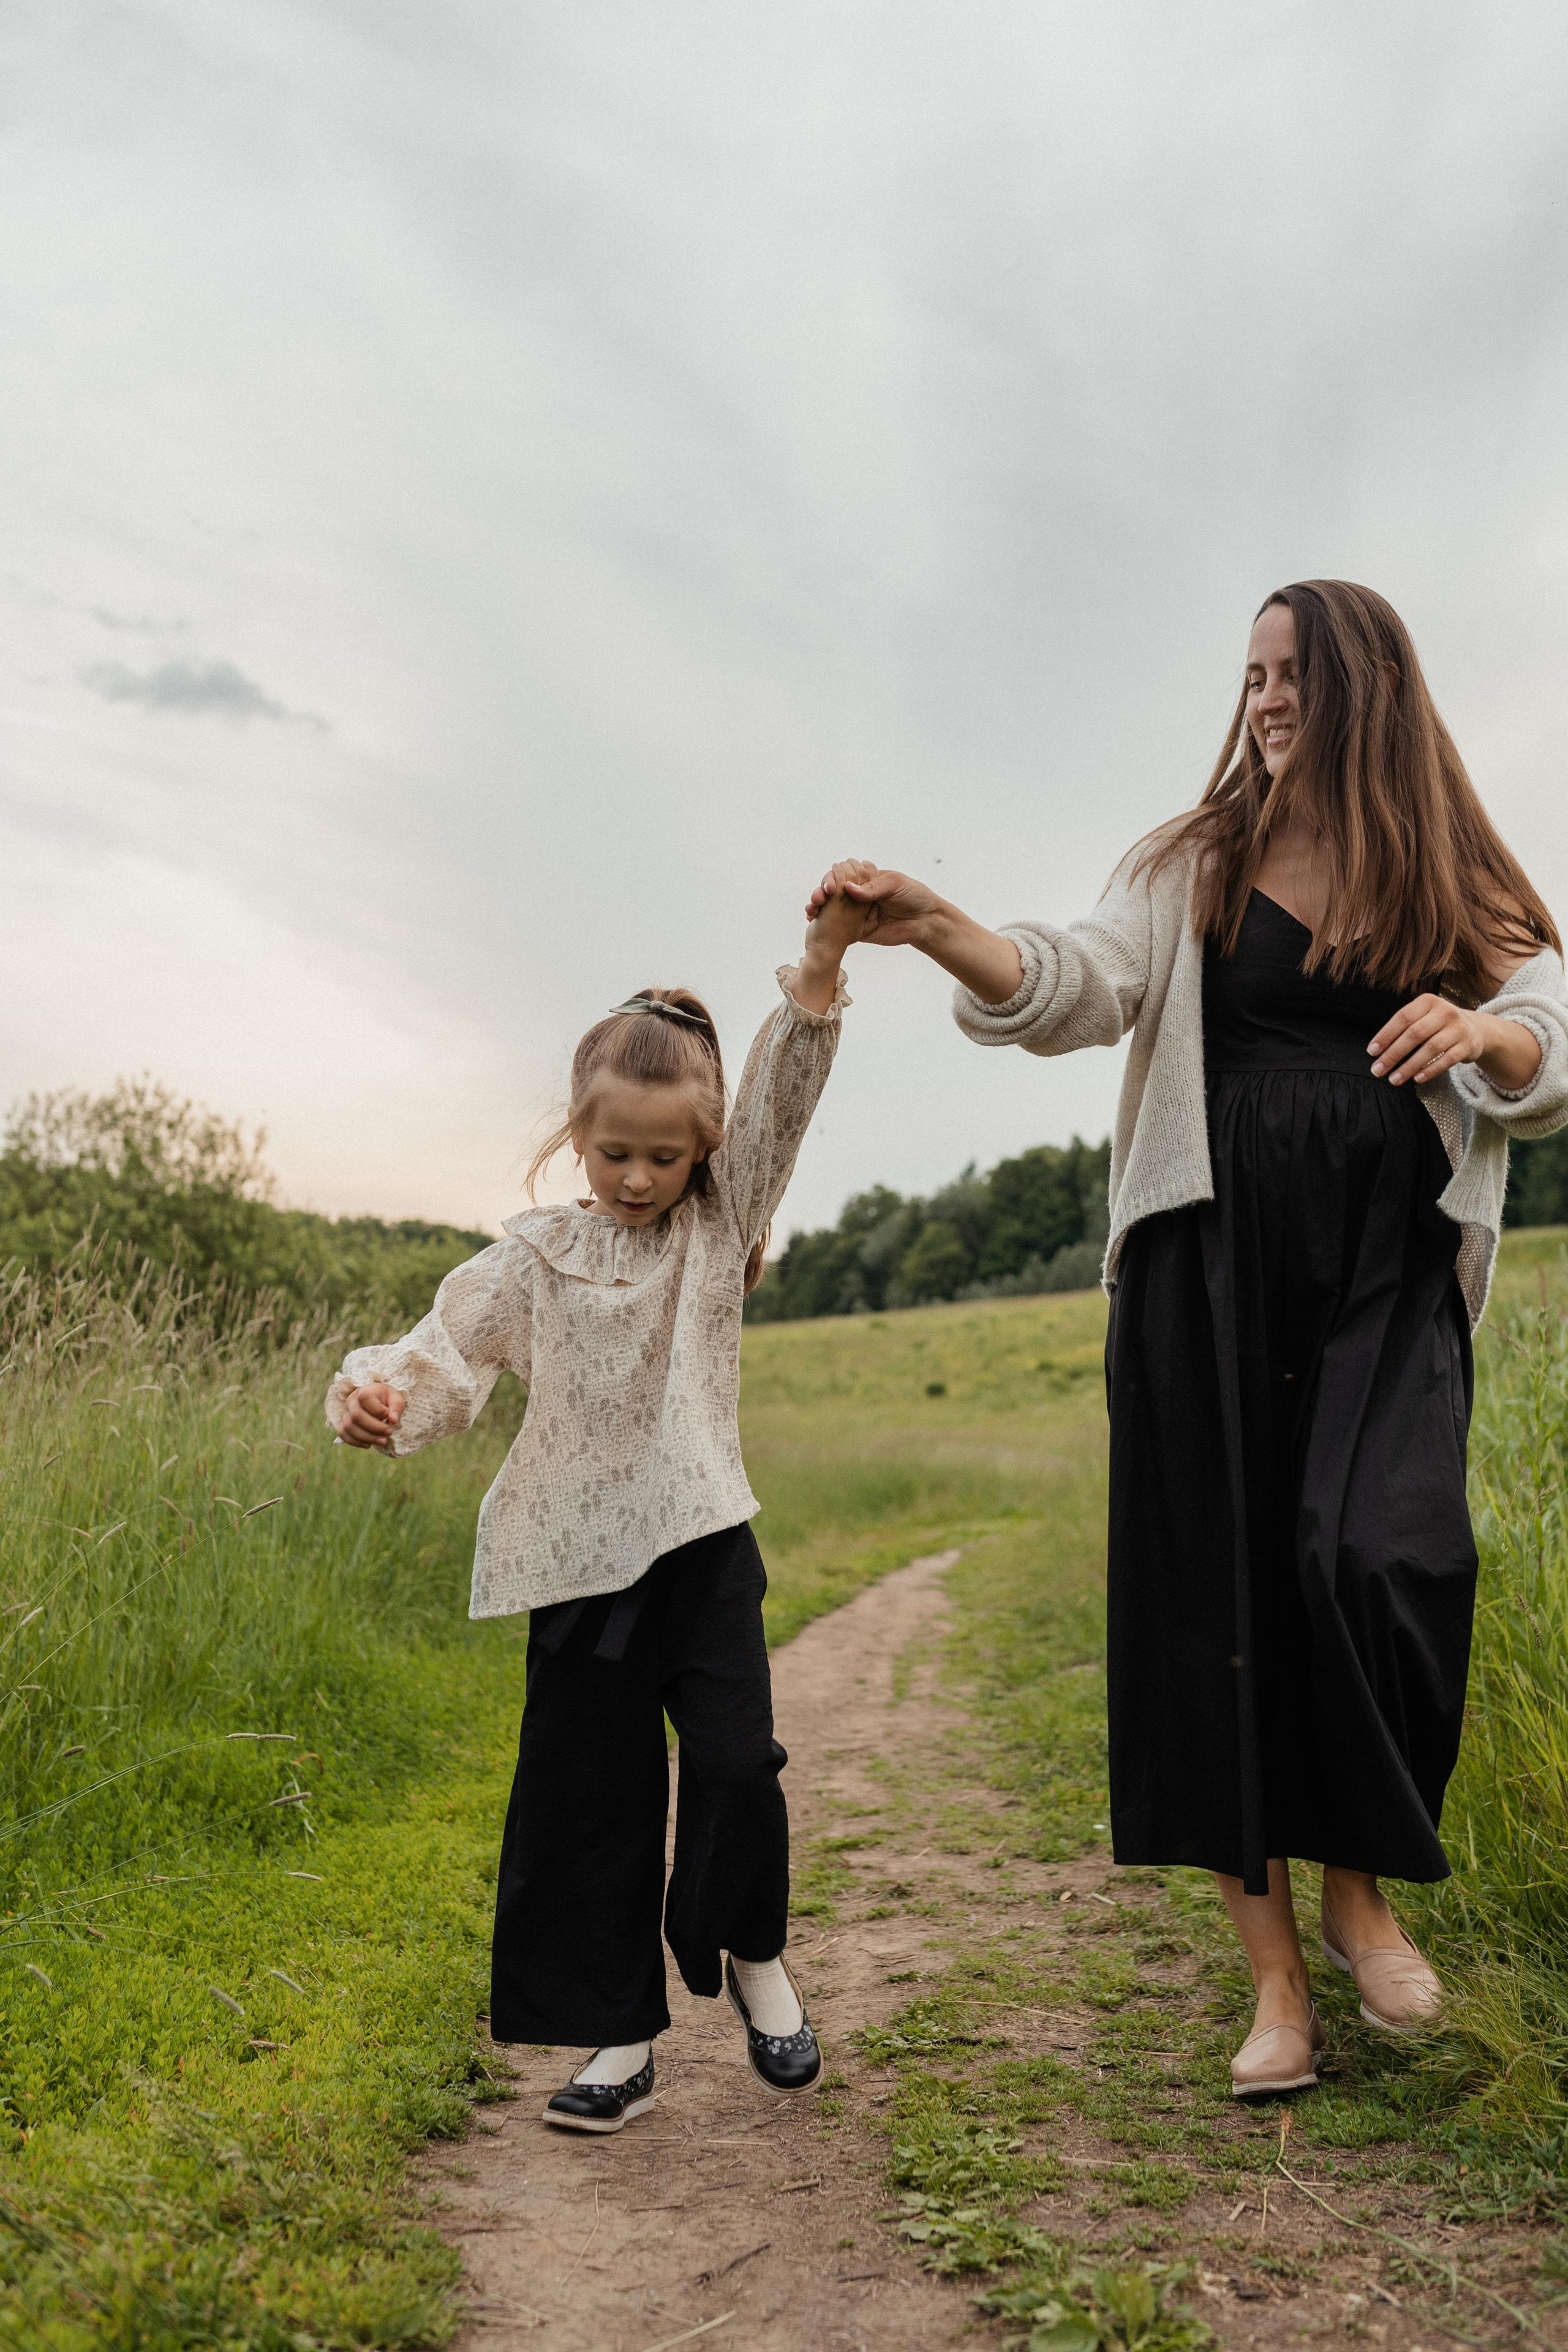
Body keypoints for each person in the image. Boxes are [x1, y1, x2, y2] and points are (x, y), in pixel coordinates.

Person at [808, 581, 1568, 2097]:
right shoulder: (1194, 860)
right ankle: (1275, 1985)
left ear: (1364, 687)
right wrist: (939, 929)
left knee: (1380, 1555)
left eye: (1290, 673)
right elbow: (1077, 985)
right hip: (1205, 1257)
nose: (1264, 698)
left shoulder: (1445, 865)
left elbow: (1545, 1011)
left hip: (1382, 1263)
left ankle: (1359, 1900)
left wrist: (1483, 1034)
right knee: (1216, 1595)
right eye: (1249, 674)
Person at [327, 872, 872, 2132]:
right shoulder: (529, 1256)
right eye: (616, 1152)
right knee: (591, 1803)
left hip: (700, 1544)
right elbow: (437, 1358)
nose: (638, 1178)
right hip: (571, 1561)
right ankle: (619, 2039)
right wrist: (376, 1400)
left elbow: (784, 1095)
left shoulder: (718, 1221)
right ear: (577, 1139)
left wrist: (819, 967)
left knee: (737, 1766)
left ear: (706, 1150)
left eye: (666, 1155)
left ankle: (751, 1957)